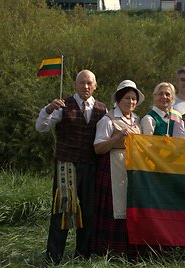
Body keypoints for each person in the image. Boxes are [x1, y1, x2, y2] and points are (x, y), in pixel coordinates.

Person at [35, 70, 107, 264]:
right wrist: (48, 109)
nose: (85, 86)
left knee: (89, 212)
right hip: (66, 166)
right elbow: (40, 127)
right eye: (82, 83)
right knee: (62, 210)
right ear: (75, 85)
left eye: (89, 83)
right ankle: (53, 257)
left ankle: (83, 255)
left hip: (91, 166)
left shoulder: (102, 109)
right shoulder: (62, 106)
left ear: (95, 85)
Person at [91, 80, 144, 257]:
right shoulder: (108, 120)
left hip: (131, 168)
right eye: (127, 98)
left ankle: (129, 250)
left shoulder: (137, 120)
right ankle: (110, 249)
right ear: (119, 99)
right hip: (112, 167)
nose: (131, 102)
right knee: (114, 208)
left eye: (134, 99)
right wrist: (117, 137)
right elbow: (98, 148)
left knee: (129, 206)